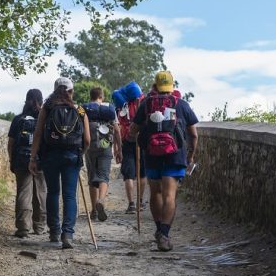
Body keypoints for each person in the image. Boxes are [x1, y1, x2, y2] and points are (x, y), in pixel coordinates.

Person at [129, 71, 198, 252]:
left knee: (156, 193)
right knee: (169, 195)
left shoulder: (146, 104)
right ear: (172, 86)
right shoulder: (182, 104)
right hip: (175, 155)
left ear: (155, 86)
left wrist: (140, 135)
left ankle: (159, 229)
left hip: (152, 155)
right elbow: (194, 135)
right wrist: (190, 155)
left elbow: (133, 130)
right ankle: (165, 235)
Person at [29, 77, 91, 249]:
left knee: (53, 192)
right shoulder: (79, 110)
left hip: (50, 156)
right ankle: (68, 234)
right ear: (71, 91)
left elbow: (38, 134)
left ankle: (54, 231)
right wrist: (81, 154)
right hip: (72, 156)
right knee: (70, 195)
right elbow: (87, 140)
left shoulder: (47, 109)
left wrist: (33, 158)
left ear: (55, 90)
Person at [8, 89, 47, 238]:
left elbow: (11, 144)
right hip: (40, 159)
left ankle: (23, 227)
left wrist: (12, 160)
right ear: (41, 101)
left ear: (26, 101)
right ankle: (40, 226)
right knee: (41, 192)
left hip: (21, 159)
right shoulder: (44, 119)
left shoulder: (18, 120)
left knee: (24, 192)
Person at [82, 87, 121, 221]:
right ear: (102, 96)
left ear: (91, 96)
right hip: (105, 145)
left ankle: (93, 210)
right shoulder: (110, 109)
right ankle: (101, 200)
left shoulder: (85, 109)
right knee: (104, 176)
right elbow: (116, 130)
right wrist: (118, 148)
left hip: (90, 146)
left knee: (92, 177)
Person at [113, 82, 147, 214]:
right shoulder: (141, 103)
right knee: (142, 173)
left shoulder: (120, 106)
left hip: (126, 141)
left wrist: (117, 148)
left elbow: (117, 127)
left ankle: (131, 204)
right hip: (141, 141)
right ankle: (140, 201)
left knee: (128, 175)